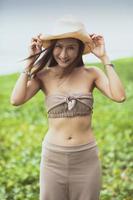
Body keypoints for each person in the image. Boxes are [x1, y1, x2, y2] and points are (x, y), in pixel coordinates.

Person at [10, 16, 126, 200]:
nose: (64, 54)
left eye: (71, 47)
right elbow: (16, 100)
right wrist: (29, 62)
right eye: (59, 46)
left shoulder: (92, 74)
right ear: (52, 47)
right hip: (52, 159)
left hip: (86, 159)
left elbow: (119, 96)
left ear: (80, 49)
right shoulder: (43, 76)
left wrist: (104, 58)